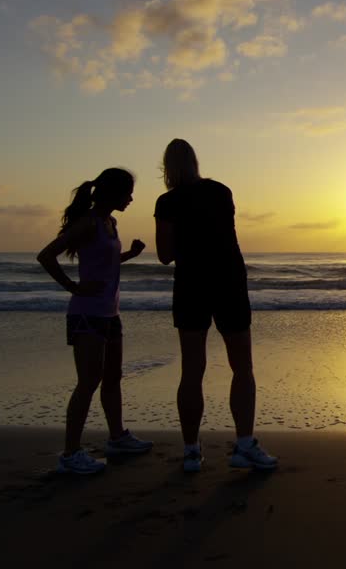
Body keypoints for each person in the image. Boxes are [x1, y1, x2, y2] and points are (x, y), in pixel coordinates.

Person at [155, 139, 277, 472]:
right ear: (195, 162)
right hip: (228, 282)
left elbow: (164, 255)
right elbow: (227, 237)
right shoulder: (221, 191)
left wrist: (186, 239)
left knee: (192, 370)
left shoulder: (167, 201)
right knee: (242, 367)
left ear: (167, 168)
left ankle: (191, 451)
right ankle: (244, 444)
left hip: (191, 284)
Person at [37, 167, 154, 474]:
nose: (131, 199)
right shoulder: (88, 222)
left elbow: (106, 261)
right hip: (86, 313)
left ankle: (117, 437)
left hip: (110, 312)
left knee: (113, 377)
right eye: (128, 193)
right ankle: (70, 454)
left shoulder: (110, 223)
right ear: (113, 193)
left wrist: (130, 254)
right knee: (89, 382)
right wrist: (73, 287)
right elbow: (46, 255)